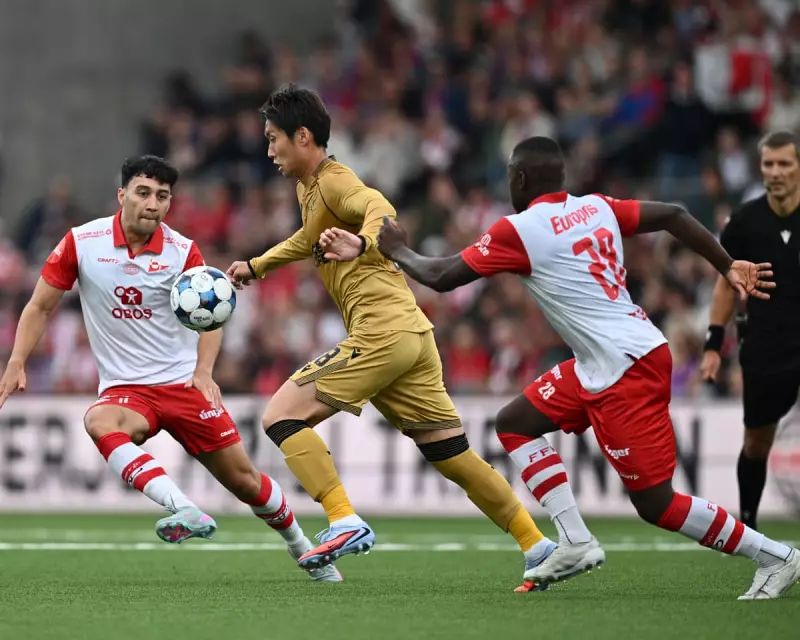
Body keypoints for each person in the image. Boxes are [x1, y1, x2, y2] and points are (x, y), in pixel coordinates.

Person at [369, 135, 800, 600]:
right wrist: (727, 264)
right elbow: (675, 215)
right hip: (606, 359)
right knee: (514, 423)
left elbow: (440, 275)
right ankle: (575, 540)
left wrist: (395, 248)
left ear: (519, 178)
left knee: (657, 505)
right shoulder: (597, 207)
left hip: (626, 369)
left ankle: (778, 557)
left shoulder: (520, 228)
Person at [226, 84, 555, 591]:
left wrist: (362, 240)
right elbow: (306, 238)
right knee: (453, 455)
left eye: (274, 140)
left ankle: (342, 519)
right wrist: (256, 265)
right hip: (412, 335)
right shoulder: (308, 189)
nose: (269, 151)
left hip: (382, 332)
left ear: (304, 136)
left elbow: (378, 205)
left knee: (280, 415)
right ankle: (537, 545)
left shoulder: (335, 181)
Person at [0, 155, 341, 583]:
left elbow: (213, 315)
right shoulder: (81, 242)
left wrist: (204, 371)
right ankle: (182, 507)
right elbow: (39, 305)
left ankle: (305, 549)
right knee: (99, 419)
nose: (152, 204)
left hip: (183, 385)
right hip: (128, 389)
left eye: (162, 196)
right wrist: (16, 361)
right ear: (122, 196)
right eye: (143, 193)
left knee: (246, 481)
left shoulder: (182, 251)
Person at [701, 130, 800, 532]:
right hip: (766, 344)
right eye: (768, 164)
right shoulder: (744, 223)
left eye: (784, 164)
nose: (775, 172)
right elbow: (725, 283)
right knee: (757, 441)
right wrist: (712, 344)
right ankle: (750, 529)